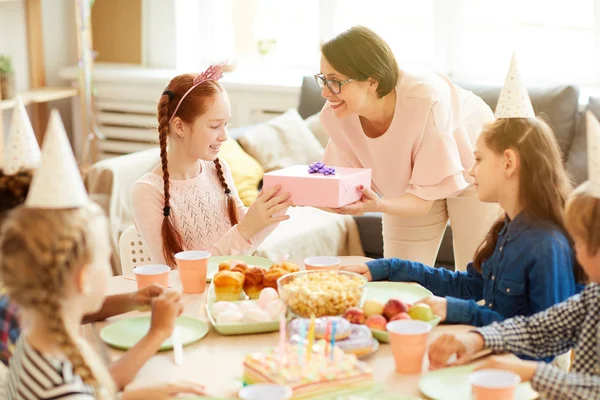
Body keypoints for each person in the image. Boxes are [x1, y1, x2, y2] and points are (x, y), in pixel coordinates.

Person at [2, 109, 204, 399]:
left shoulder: (36, 340)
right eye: (103, 260)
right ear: (84, 278)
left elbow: (96, 389)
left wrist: (154, 392)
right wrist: (157, 333)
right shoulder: (59, 378)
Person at [427, 113, 600, 399]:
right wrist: (478, 339)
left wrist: (531, 373)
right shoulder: (593, 298)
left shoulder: (547, 244)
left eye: (580, 241)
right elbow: (538, 329)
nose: (575, 251)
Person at [316, 26, 500, 271]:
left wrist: (377, 205)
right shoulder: (336, 115)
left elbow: (422, 203)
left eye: (335, 81)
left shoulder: (426, 102)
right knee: (399, 278)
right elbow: (337, 184)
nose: (325, 92)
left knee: (475, 272)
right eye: (323, 79)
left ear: (372, 81)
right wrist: (294, 193)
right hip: (409, 186)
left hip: (471, 159)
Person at [131, 65, 291, 267]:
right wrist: (246, 229)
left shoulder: (219, 169)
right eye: (215, 126)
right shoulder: (147, 192)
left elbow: (245, 243)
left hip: (231, 290)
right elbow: (176, 272)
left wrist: (276, 205)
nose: (224, 136)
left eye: (226, 124)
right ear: (179, 126)